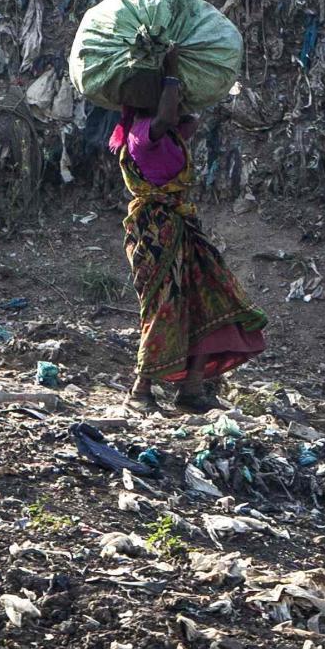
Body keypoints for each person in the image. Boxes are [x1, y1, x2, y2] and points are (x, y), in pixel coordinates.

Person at [111, 73, 267, 411]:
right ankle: (140, 390)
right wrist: (167, 75)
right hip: (154, 232)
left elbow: (190, 120)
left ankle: (193, 389)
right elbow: (168, 116)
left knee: (207, 298)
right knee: (164, 305)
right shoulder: (142, 134)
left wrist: (176, 88)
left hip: (180, 226)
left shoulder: (165, 134)